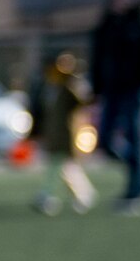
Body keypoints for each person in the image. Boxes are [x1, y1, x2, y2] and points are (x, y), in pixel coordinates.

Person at [91, 0, 140, 214]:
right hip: (110, 90)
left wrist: (139, 82)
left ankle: (136, 192)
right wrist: (96, 87)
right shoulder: (107, 23)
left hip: (132, 90)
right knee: (105, 140)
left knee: (133, 135)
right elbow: (98, 57)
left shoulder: (139, 24)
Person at [28, 50, 96, 216]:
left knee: (65, 166)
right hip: (53, 133)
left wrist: (74, 81)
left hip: (67, 133)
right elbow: (40, 111)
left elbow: (83, 102)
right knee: (60, 165)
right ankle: (61, 196)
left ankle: (76, 195)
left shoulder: (69, 86)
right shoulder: (47, 87)